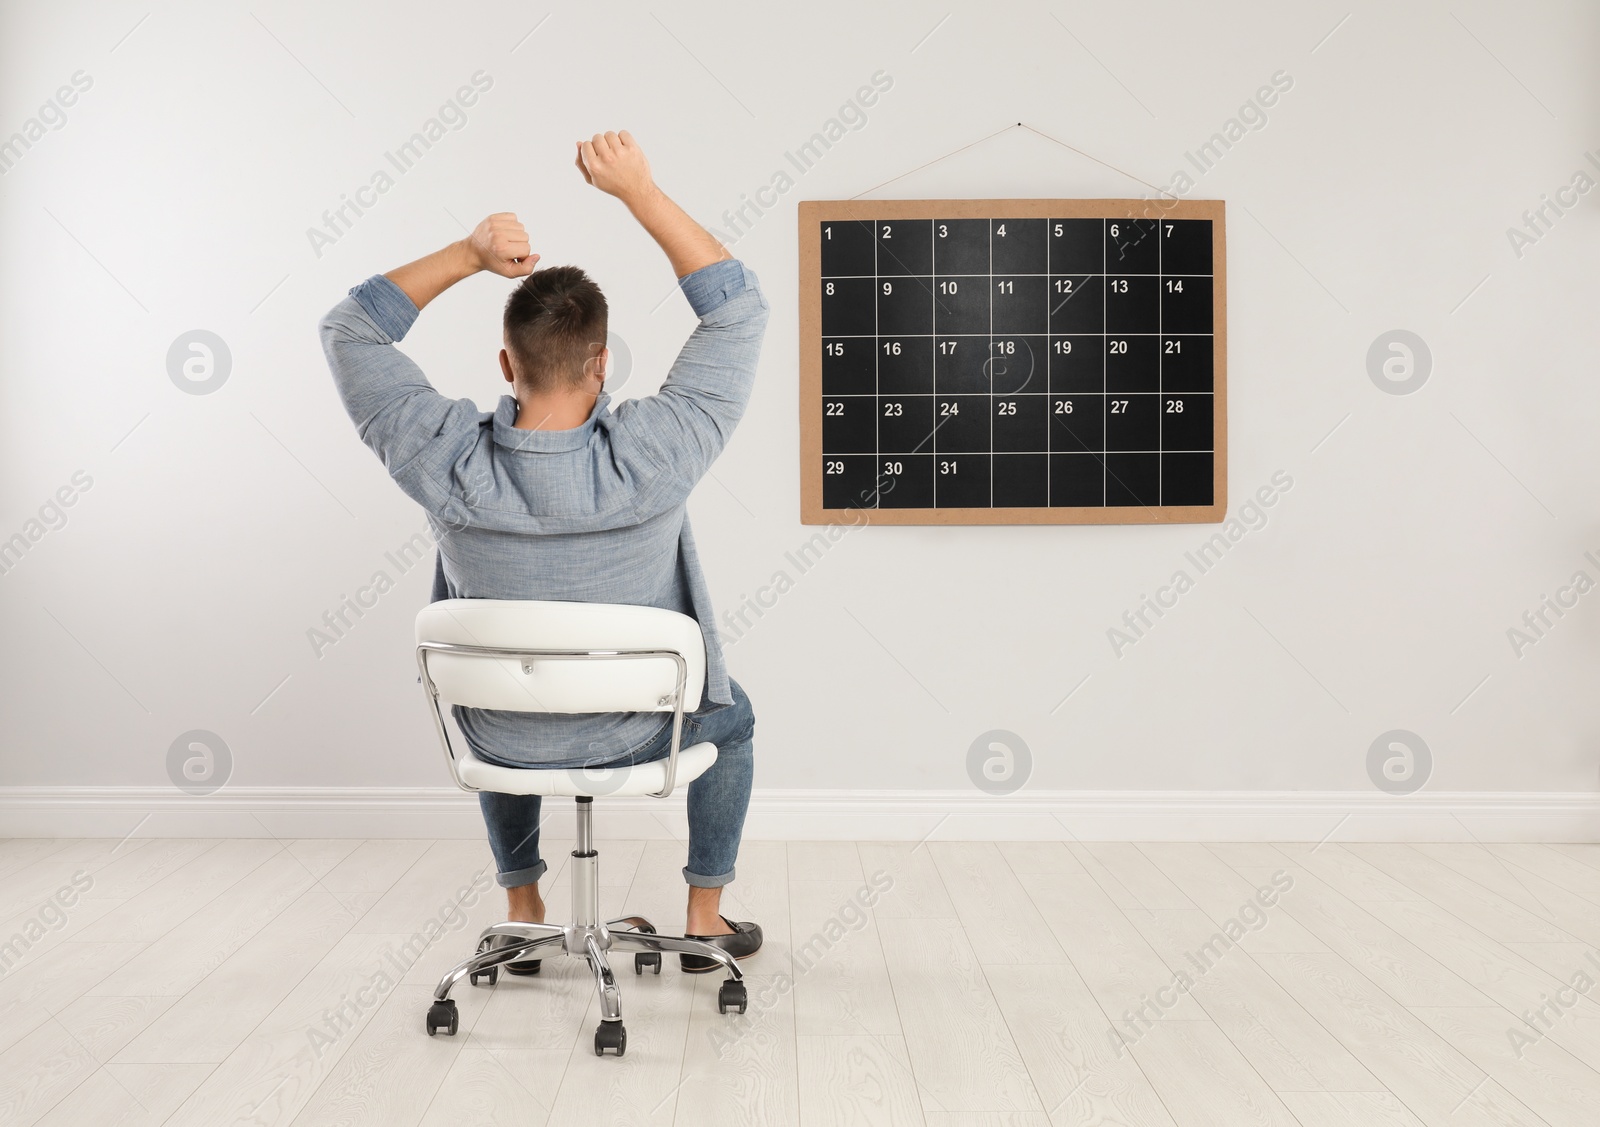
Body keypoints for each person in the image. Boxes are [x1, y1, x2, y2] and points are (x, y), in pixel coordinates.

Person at [318, 131, 769, 972]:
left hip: (499, 736)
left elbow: (349, 328)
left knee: (505, 678)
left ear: (505, 361)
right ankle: (704, 917)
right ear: (602, 364)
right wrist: (640, 191)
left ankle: (524, 905)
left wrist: (468, 253)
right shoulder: (658, 453)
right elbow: (738, 305)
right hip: (640, 734)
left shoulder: (443, 456)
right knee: (732, 715)